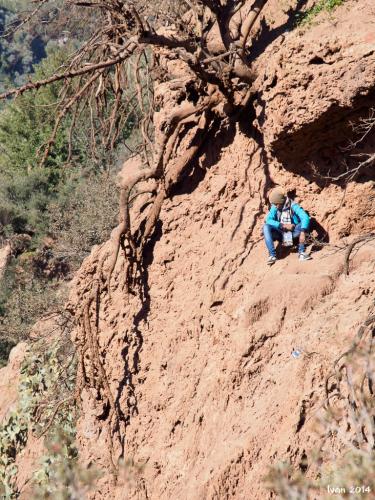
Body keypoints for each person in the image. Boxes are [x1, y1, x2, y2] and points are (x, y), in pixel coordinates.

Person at [263, 187, 312, 265]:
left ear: (281, 202)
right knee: (266, 227)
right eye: (273, 204)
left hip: (294, 232)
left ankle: (301, 253)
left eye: (276, 204)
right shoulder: (274, 207)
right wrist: (282, 225)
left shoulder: (293, 205)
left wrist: (303, 232)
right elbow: (268, 220)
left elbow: (305, 217)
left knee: (305, 223)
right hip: (282, 233)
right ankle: (272, 255)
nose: (274, 206)